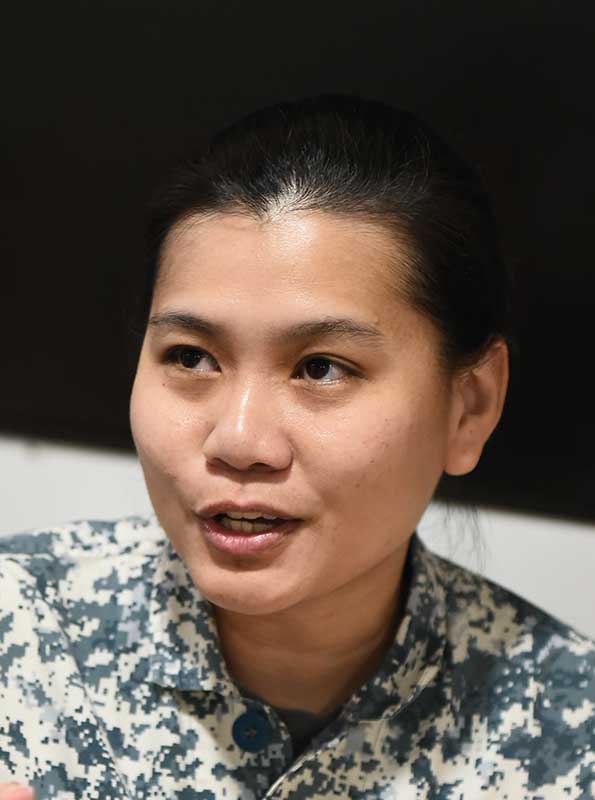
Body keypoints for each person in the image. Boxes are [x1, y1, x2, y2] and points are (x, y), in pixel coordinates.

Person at [0, 93, 593, 800]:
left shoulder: (569, 734)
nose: (238, 440)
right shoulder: (20, 638)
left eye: (321, 369)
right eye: (190, 357)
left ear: (469, 408)